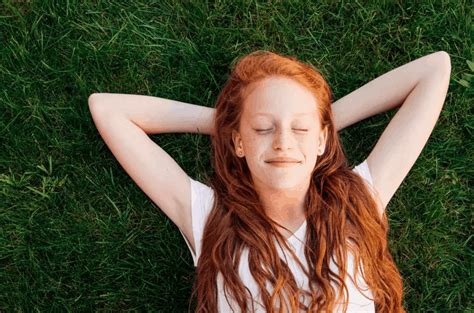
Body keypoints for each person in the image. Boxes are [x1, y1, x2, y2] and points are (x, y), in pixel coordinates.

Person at [88, 50, 451, 312]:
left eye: (300, 128)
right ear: (239, 142)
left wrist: (321, 124)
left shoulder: (358, 201)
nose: (282, 142)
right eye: (263, 128)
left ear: (322, 139)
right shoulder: (207, 216)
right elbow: (108, 109)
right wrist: (229, 123)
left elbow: (434, 70)